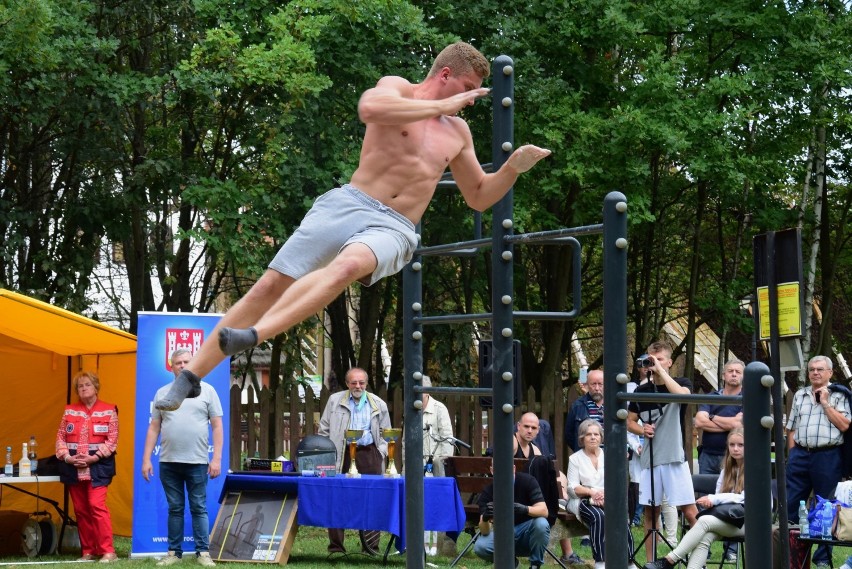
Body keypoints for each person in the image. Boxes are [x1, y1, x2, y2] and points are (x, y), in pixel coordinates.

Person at [154, 41, 551, 412]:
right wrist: (440, 104)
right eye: (468, 88)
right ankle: (190, 376)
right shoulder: (397, 89)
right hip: (349, 203)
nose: (469, 100)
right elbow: (371, 110)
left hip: (395, 227)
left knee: (345, 267)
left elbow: (478, 195)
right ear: (445, 74)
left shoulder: (457, 133)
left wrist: (513, 169)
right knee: (270, 284)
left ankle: (253, 336)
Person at [142, 349, 224, 567]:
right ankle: (173, 553)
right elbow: (154, 428)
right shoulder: (162, 393)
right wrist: (146, 459)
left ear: (193, 364)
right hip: (168, 461)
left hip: (197, 461)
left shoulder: (207, 391)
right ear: (171, 366)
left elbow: (217, 426)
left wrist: (216, 459)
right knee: (175, 508)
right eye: (178, 362)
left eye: (187, 361)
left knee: (199, 506)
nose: (182, 365)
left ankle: (203, 553)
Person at [627, 341, 698, 563]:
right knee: (651, 512)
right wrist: (642, 428)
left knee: (689, 511)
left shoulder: (680, 382)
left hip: (675, 457)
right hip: (650, 459)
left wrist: (660, 373)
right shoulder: (641, 391)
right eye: (649, 359)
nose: (652, 363)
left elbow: (683, 397)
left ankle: (699, 559)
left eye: (658, 359)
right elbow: (629, 422)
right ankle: (651, 562)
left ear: (669, 362)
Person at [644, 428, 745, 569]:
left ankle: (669, 561)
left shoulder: (755, 469)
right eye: (732, 445)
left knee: (703, 521)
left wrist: (713, 499)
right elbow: (719, 497)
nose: (735, 449)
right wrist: (713, 502)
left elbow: (743, 498)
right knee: (705, 537)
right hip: (727, 521)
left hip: (749, 524)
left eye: (741, 445)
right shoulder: (726, 471)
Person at [786, 355, 851, 568]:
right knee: (792, 504)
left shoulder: (840, 395)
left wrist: (825, 403)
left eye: (820, 369)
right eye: (812, 369)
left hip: (828, 455)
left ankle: (822, 557)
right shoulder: (800, 395)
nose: (815, 372)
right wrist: (792, 455)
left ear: (830, 373)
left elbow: (845, 426)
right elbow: (792, 428)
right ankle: (792, 555)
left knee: (826, 507)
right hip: (801, 454)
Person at [318, 367, 391, 554]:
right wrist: (328, 452)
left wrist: (380, 453)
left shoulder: (378, 404)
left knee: (372, 499)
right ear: (347, 383)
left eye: (361, 382)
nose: (357, 386)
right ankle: (336, 548)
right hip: (341, 454)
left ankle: (371, 547)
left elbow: (387, 434)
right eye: (353, 382)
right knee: (337, 499)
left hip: (368, 454)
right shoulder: (335, 401)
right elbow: (324, 429)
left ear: (366, 383)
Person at [55, 371, 119, 563]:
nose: (83, 388)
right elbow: (60, 438)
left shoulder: (109, 410)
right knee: (81, 510)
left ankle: (108, 552)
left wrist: (93, 458)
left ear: (96, 387)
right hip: (73, 468)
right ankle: (88, 552)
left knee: (96, 506)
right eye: (80, 386)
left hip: (98, 468)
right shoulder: (69, 411)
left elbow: (112, 441)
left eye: (87, 384)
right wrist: (67, 458)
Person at [566, 419, 634, 569]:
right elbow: (571, 488)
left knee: (621, 516)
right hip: (582, 500)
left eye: (596, 434)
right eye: (588, 434)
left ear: (601, 437)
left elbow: (618, 481)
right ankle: (600, 562)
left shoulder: (610, 455)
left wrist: (604, 495)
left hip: (607, 499)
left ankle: (629, 562)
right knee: (599, 516)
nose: (593, 437)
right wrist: (591, 492)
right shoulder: (575, 459)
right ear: (582, 438)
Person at [694, 358, 744, 562]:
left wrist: (712, 418)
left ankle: (730, 549)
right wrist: (727, 424)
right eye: (730, 371)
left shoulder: (746, 398)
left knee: (732, 500)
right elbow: (699, 421)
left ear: (743, 376)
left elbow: (739, 424)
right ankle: (702, 547)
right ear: (723, 375)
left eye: (737, 372)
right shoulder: (711, 396)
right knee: (705, 501)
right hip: (709, 455)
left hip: (734, 459)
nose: (733, 374)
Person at [474, 459, 551, 569]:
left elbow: (544, 511)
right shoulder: (488, 491)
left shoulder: (528, 481)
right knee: (480, 547)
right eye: (499, 470)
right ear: (492, 470)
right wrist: (485, 518)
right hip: (503, 535)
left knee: (541, 523)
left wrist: (524, 509)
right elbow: (485, 531)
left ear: (514, 468)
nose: (503, 473)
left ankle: (535, 565)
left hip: (527, 534)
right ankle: (512, 564)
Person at [420, 375, 454, 556]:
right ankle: (415, 543)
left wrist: (438, 462)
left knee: (435, 506)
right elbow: (405, 443)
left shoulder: (439, 409)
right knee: (416, 504)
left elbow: (448, 440)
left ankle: (434, 547)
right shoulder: (411, 408)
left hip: (435, 466)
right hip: (415, 465)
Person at [565, 369, 604, 452]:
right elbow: (569, 435)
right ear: (587, 385)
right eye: (593, 384)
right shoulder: (577, 406)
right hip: (585, 457)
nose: (597, 388)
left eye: (600, 384)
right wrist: (582, 451)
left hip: (610, 457)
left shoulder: (613, 405)